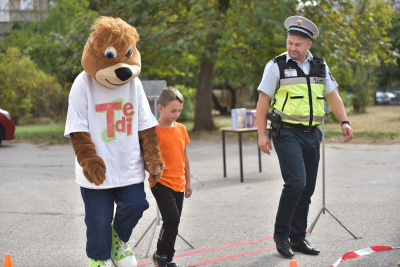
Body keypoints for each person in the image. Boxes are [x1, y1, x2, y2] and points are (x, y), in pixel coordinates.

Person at [256, 16, 353, 258]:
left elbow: (333, 96)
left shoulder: (320, 65)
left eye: (298, 44)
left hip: (313, 134)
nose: (292, 48)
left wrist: (345, 121)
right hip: (286, 132)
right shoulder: (275, 66)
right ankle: (281, 235)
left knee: (307, 188)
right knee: (296, 182)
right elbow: (263, 101)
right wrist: (260, 135)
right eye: (290, 42)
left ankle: (298, 238)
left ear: (308, 44)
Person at [150, 86, 192, 267]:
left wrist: (188, 181)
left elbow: (184, 157)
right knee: (172, 219)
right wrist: (151, 170)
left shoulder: (181, 129)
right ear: (160, 108)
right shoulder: (153, 130)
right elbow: (148, 157)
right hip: (161, 183)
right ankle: (159, 254)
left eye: (179, 111)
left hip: (179, 183)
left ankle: (169, 256)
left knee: (175, 222)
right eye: (173, 110)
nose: (177, 114)